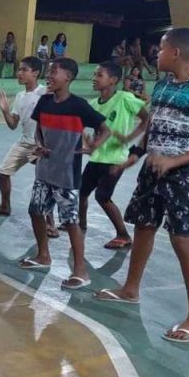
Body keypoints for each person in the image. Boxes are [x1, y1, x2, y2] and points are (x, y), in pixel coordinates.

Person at [94, 27, 189, 344]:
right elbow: (153, 127)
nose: (157, 54)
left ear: (176, 53)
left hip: (187, 178)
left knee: (183, 241)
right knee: (143, 227)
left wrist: (174, 161)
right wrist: (135, 155)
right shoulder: (164, 84)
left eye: (162, 49)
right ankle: (130, 289)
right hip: (153, 171)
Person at [18, 58, 109, 290]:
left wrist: (94, 146)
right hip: (44, 170)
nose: (49, 76)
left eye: (54, 72)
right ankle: (43, 255)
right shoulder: (45, 101)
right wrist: (39, 144)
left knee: (69, 221)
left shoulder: (78, 105)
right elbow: (38, 129)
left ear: (68, 77)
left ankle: (80, 270)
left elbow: (104, 128)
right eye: (48, 72)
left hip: (66, 174)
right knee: (36, 211)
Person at [78, 61, 148, 249]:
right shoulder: (93, 104)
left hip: (116, 159)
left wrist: (130, 137)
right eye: (94, 75)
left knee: (102, 196)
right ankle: (80, 225)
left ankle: (123, 235)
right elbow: (94, 132)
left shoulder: (125, 98)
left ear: (113, 80)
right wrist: (89, 144)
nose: (94, 78)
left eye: (99, 75)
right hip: (97, 158)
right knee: (82, 193)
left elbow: (146, 118)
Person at [0, 56, 46, 217]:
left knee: (45, 183)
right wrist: (5, 111)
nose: (19, 73)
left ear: (36, 73)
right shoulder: (19, 96)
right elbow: (13, 125)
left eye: (24, 70)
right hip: (25, 142)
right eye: (19, 69)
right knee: (3, 172)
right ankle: (5, 206)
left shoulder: (44, 93)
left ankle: (50, 222)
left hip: (41, 145)